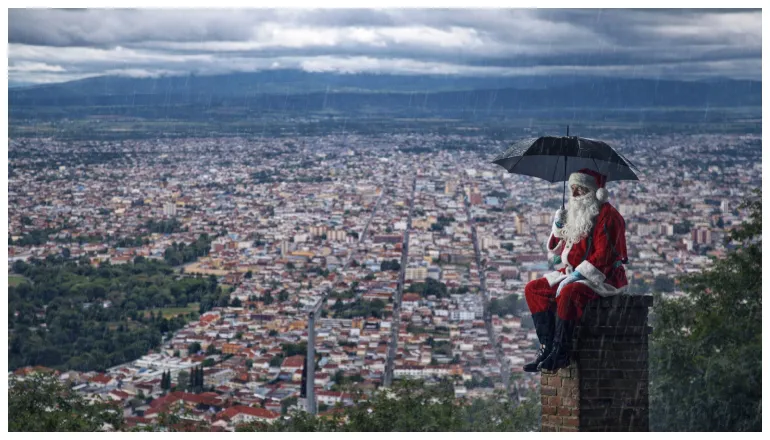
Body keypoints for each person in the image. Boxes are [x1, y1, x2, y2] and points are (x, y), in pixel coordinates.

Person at [522, 168, 629, 373]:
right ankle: (548, 346)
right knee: (533, 289)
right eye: (573, 189)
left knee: (570, 293)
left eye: (580, 190)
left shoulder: (609, 217)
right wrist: (558, 225)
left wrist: (577, 276)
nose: (575, 195)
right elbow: (559, 248)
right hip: (572, 271)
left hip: (601, 276)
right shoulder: (576, 213)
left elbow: (604, 256)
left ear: (595, 192)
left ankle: (561, 352)